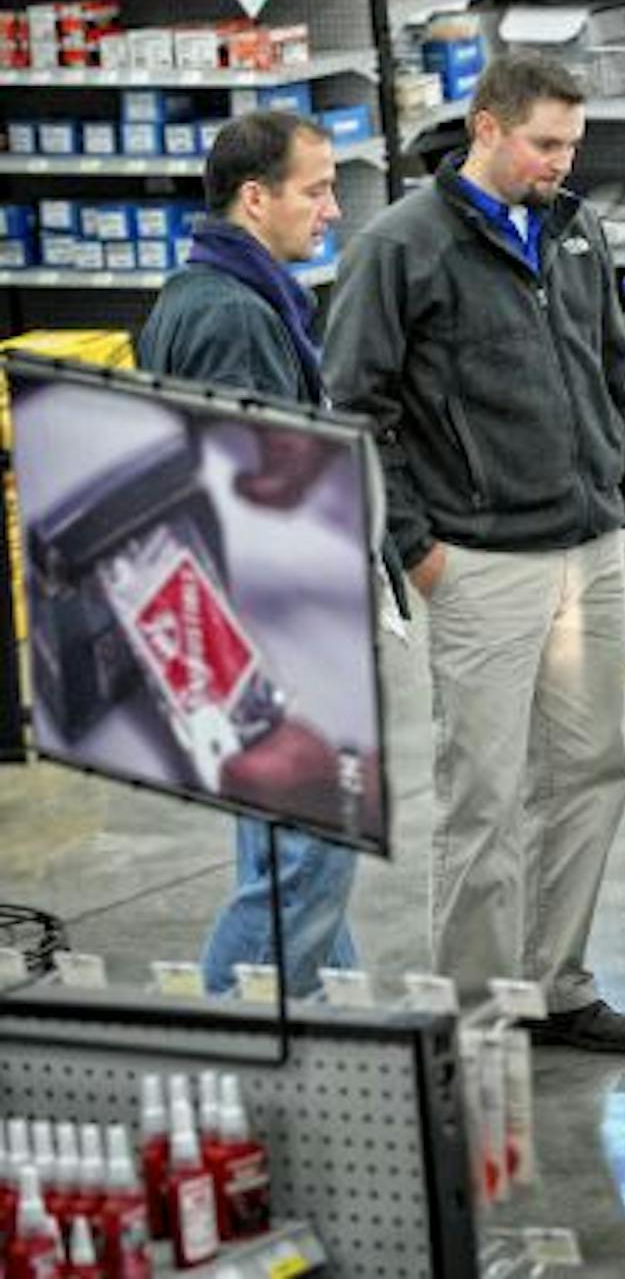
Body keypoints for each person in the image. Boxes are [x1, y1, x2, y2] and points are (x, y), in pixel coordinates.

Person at [325, 51, 625, 1052]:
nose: (560, 163)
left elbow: (610, 384)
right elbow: (355, 410)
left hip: (589, 550)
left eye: (572, 145)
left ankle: (558, 984)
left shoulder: (575, 230)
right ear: (486, 128)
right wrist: (414, 548)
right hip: (480, 561)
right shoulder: (402, 248)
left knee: (589, 771)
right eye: (544, 143)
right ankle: (479, 1007)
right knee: (483, 793)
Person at [134, 109, 358, 998]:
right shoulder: (231, 318)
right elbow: (253, 502)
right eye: (317, 189)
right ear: (255, 197)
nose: (333, 209)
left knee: (290, 864)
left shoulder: (213, 297)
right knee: (303, 874)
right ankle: (227, 1044)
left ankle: (337, 1050)